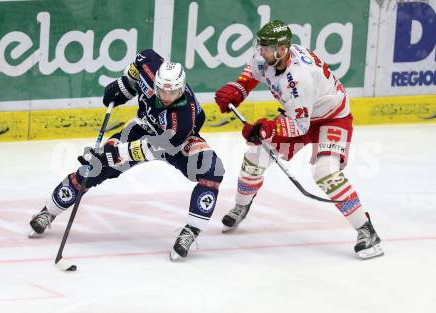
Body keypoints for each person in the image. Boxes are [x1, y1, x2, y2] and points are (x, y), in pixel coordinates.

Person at [29, 49, 225, 261]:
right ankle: (48, 211)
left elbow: (151, 149)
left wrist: (114, 153)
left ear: (182, 88)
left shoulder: (184, 117)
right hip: (142, 128)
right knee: (93, 168)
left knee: (212, 169)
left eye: (173, 92)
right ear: (156, 82)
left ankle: (191, 231)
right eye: (162, 91)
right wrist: (122, 86)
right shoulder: (149, 64)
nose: (167, 97)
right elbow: (140, 63)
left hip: (177, 142)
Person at [214, 20, 383, 259]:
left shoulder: (299, 79)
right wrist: (238, 89)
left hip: (331, 118)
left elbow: (299, 126)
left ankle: (367, 231)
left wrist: (267, 129)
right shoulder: (267, 56)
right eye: (260, 46)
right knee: (255, 155)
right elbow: (252, 73)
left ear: (282, 49)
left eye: (266, 48)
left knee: (326, 173)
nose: (260, 52)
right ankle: (242, 205)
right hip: (301, 113)